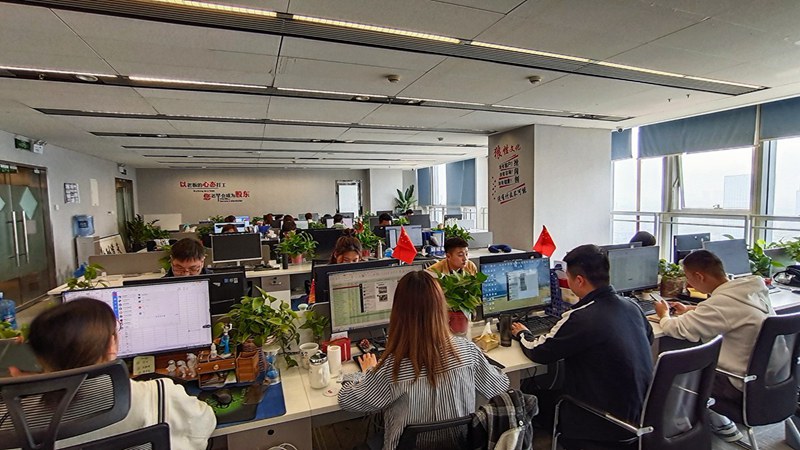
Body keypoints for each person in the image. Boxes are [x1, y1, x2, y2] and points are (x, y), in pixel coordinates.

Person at [11, 298, 215, 449]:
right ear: (111, 345)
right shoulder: (157, 395)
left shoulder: (12, 417)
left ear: (39, 356)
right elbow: (203, 424)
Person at [338, 271, 509, 449]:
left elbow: (348, 399)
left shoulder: (392, 367)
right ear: (441, 308)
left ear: (398, 313)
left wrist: (367, 372)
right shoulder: (468, 352)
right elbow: (500, 386)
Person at [511, 244, 654, 445]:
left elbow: (540, 352)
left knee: (532, 398)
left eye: (568, 277)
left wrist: (522, 333)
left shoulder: (581, 317)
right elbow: (648, 339)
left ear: (579, 280)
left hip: (601, 421)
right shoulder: (632, 306)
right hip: (639, 416)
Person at [653, 250, 774, 442]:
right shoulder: (750, 290)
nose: (688, 285)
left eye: (688, 278)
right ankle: (715, 422)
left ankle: (693, 431)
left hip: (738, 384)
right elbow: (729, 312)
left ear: (699, 276)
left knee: (673, 375)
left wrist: (663, 314)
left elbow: (677, 328)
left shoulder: (722, 303)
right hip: (769, 379)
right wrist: (692, 309)